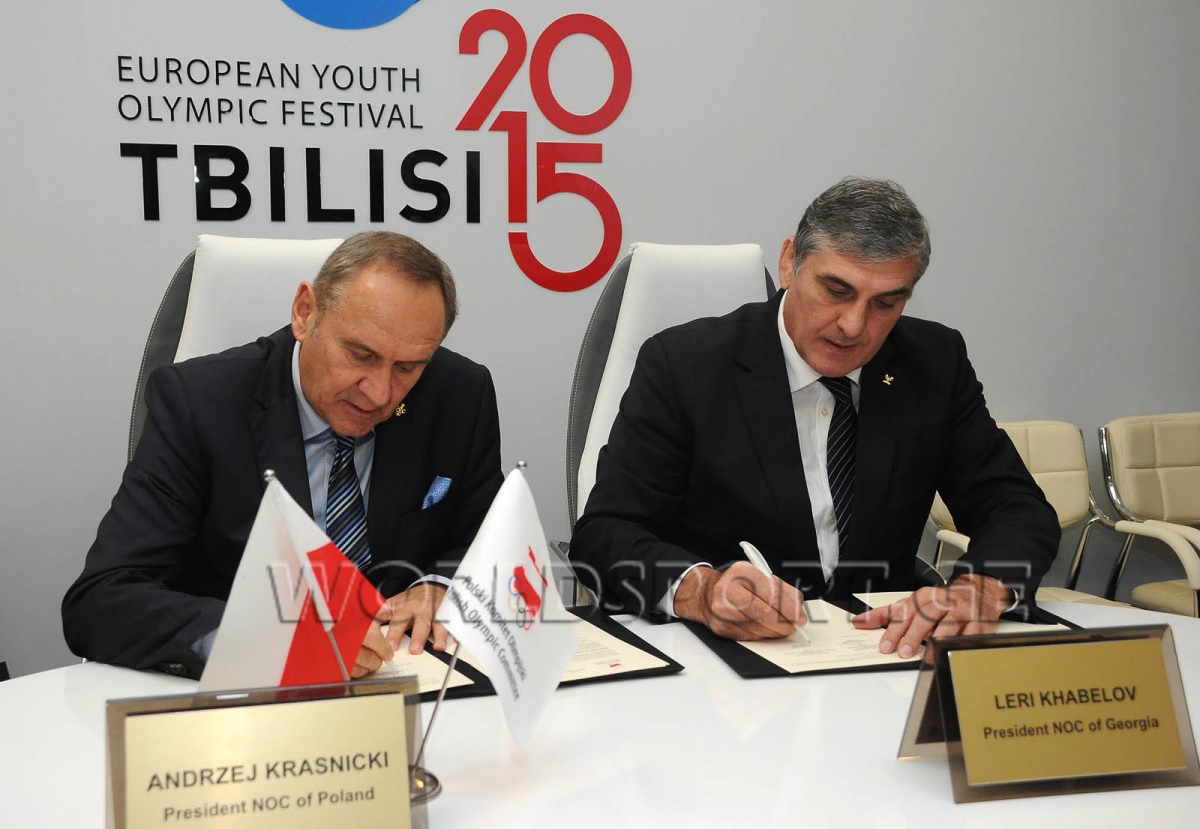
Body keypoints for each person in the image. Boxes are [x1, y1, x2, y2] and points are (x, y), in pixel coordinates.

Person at [570, 177, 1059, 659]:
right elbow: (606, 532)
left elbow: (1015, 506)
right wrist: (701, 590)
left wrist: (982, 588)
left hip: (882, 653)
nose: (854, 325)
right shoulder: (686, 365)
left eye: (885, 303)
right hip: (731, 660)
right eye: (836, 290)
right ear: (789, 262)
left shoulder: (933, 362)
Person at [62, 231, 504, 678]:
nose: (379, 392)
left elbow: (492, 541)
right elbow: (102, 599)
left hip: (409, 682)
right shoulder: (199, 404)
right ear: (305, 313)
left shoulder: (459, 395)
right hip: (248, 700)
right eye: (360, 355)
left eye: (407, 368)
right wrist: (271, 639)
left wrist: (442, 585)